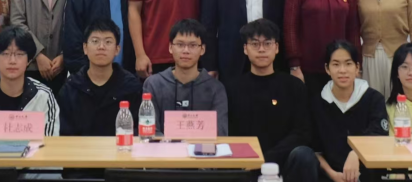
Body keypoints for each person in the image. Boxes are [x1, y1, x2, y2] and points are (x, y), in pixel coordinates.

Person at [224, 19, 317, 182]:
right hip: (246, 165)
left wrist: (268, 158)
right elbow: (230, 133)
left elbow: (303, 132)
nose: (261, 49)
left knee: (305, 155)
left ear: (277, 47)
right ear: (245, 49)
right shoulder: (231, 88)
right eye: (255, 44)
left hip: (284, 163)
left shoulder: (294, 86)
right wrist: (253, 160)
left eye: (267, 43)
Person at [309, 40, 387, 182]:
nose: (342, 70)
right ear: (327, 68)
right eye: (336, 64)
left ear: (357, 68)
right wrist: (332, 174)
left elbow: (379, 135)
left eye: (348, 64)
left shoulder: (374, 99)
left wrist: (356, 152)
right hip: (330, 177)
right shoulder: (318, 103)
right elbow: (315, 150)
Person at [58, 18, 143, 136]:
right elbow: (63, 134)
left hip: (121, 147)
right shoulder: (71, 88)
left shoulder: (131, 87)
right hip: (80, 148)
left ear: (117, 49)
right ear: (85, 48)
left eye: (108, 42)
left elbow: (138, 131)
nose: (101, 47)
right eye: (95, 41)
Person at [143, 19, 228, 134]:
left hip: (202, 146)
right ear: (170, 47)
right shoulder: (154, 84)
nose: (186, 51)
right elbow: (150, 131)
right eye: (180, 44)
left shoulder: (215, 88)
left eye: (193, 45)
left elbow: (220, 133)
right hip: (163, 146)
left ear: (202, 49)